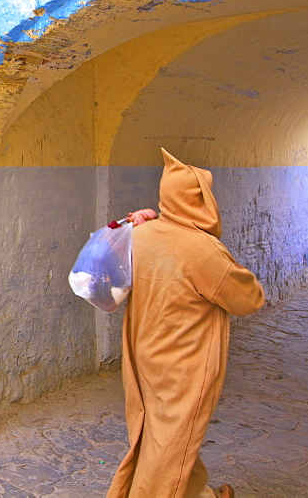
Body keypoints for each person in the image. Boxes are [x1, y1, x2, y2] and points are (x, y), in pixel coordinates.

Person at [107, 149, 266, 498]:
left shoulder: (142, 233)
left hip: (144, 351)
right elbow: (249, 299)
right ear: (200, 200)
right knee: (174, 439)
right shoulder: (202, 249)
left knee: (162, 432)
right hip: (185, 361)